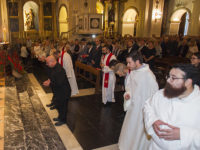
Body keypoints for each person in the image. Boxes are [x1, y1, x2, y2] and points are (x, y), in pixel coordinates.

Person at [143, 64, 200, 150]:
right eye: (168, 76)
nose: (168, 81)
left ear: (188, 82)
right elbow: (147, 106)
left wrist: (183, 134)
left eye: (173, 78)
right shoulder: (161, 94)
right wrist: (153, 120)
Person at [118, 52, 158, 150]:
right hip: (133, 106)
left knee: (139, 131)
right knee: (130, 128)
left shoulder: (148, 75)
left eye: (129, 63)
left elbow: (154, 94)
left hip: (142, 108)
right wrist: (128, 94)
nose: (127, 65)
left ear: (137, 61)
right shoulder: (134, 72)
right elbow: (130, 88)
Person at [43, 56, 71, 126]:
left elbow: (59, 83)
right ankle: (60, 117)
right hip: (59, 91)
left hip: (64, 92)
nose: (47, 64)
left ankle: (63, 120)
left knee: (63, 107)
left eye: (47, 63)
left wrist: (49, 83)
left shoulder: (59, 70)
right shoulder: (54, 67)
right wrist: (49, 80)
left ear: (52, 62)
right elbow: (52, 77)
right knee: (58, 105)